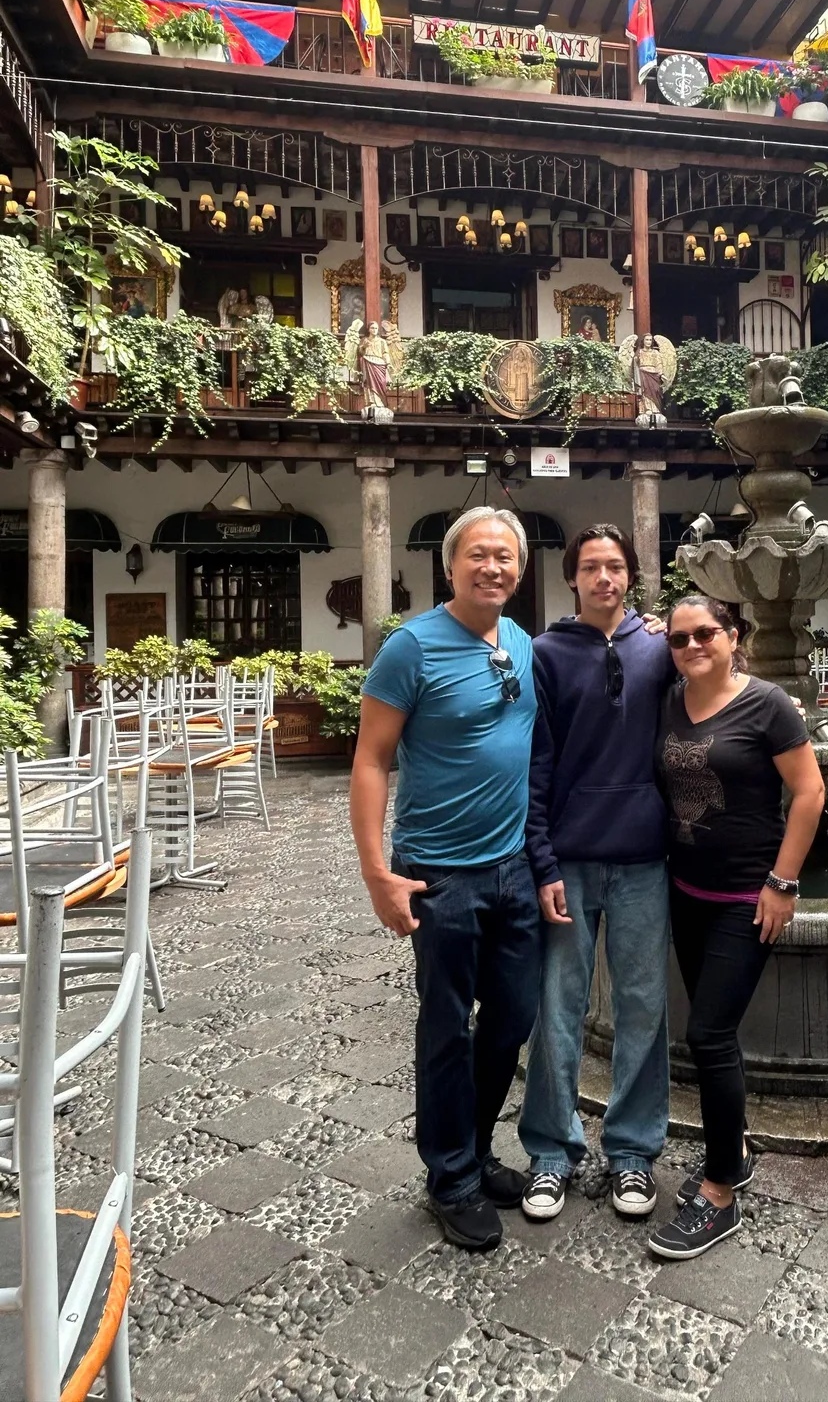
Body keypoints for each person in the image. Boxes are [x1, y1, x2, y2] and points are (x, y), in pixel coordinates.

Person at [350, 506, 540, 1252]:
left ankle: (477, 1146)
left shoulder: (520, 641)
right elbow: (370, 761)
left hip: (515, 869)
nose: (493, 568)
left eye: (506, 558)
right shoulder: (411, 648)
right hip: (439, 875)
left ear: (519, 572)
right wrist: (377, 874)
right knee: (445, 1025)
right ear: (450, 564)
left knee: (510, 1019)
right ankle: (450, 1177)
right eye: (479, 556)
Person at [648, 595, 825, 1260]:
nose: (692, 646)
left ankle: (720, 1193)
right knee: (710, 1028)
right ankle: (738, 1150)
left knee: (709, 1033)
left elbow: (809, 793)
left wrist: (783, 883)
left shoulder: (769, 704)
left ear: (732, 636)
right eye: (679, 638)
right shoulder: (670, 698)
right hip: (686, 889)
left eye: (705, 634)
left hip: (746, 898)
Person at [520, 524, 674, 1221]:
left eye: (615, 567)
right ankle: (552, 1152)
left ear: (631, 576)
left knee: (643, 1007)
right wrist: (542, 859)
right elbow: (537, 761)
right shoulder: (547, 654)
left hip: (645, 856)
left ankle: (634, 1152)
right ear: (572, 578)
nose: (604, 578)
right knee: (559, 1009)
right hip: (571, 862)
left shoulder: (662, 647)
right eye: (591, 567)